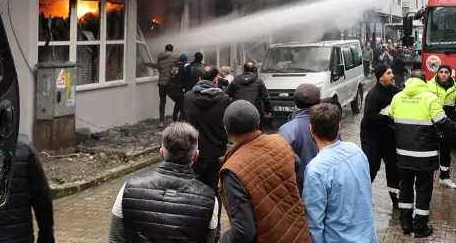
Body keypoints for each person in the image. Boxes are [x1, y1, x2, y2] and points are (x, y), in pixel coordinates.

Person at [389, 71, 456, 237]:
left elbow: (392, 117)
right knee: (423, 189)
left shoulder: (397, 97)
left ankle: (405, 223)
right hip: (423, 155)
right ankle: (420, 227)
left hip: (402, 155)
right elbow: (443, 122)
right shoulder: (429, 98)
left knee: (405, 187)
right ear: (424, 81)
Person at [107, 122, 218, 243]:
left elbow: (115, 238)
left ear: (161, 153)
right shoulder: (209, 200)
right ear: (196, 156)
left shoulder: (128, 189)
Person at [219, 101, 310, 243]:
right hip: (299, 235)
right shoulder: (279, 141)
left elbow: (244, 232)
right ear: (258, 125)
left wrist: (223, 239)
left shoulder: (231, 171)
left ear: (227, 131)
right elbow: (295, 164)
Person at [302, 104, 377, 243]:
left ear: (311, 129)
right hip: (368, 236)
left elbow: (314, 223)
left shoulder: (316, 170)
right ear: (338, 128)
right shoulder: (356, 151)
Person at [184, 65, 232, 240]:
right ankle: (215, 231)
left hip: (194, 154)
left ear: (198, 80)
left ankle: (195, 229)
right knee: (214, 194)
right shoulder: (225, 99)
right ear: (215, 81)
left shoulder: (188, 97)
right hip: (217, 154)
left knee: (194, 193)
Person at [359, 64, 400, 209]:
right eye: (389, 73)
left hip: (389, 138)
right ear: (380, 77)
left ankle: (396, 200)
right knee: (372, 167)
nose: (392, 75)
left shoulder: (396, 92)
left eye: (392, 72)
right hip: (372, 138)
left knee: (393, 168)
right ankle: (361, 199)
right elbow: (369, 116)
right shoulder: (373, 94)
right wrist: (386, 116)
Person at [425, 65, 456, 189]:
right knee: (430, 151)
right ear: (437, 73)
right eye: (441, 72)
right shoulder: (429, 85)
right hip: (431, 122)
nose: (444, 74)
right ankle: (426, 178)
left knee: (446, 151)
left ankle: (444, 177)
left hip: (448, 123)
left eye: (446, 72)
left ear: (450, 74)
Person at [278, 84, 323, 190]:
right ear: (319, 102)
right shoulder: (329, 124)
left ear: (295, 103)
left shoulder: (287, 130)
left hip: (299, 191)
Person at [227, 61, 272, 127]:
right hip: (254, 111)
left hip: (238, 111)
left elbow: (228, 95)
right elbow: (265, 98)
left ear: (244, 69)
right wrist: (268, 111)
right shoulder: (259, 81)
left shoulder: (236, 80)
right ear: (254, 69)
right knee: (255, 132)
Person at [156, 44, 180, 127]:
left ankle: (161, 121)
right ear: (172, 50)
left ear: (165, 49)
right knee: (178, 100)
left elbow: (159, 68)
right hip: (170, 84)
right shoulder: (175, 56)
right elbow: (177, 68)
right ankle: (176, 119)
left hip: (161, 83)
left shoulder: (160, 57)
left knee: (162, 101)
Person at [166, 53, 189, 123]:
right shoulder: (183, 67)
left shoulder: (174, 67)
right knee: (181, 105)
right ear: (185, 61)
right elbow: (185, 79)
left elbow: (173, 77)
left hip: (169, 89)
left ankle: (174, 120)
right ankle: (184, 121)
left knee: (179, 103)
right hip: (176, 89)